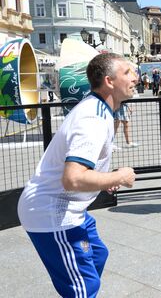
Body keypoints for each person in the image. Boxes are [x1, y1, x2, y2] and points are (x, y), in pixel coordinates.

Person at [17, 53, 137, 297]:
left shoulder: (98, 109)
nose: (135, 77)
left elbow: (78, 173)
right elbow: (72, 179)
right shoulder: (93, 118)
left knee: (97, 255)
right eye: (127, 72)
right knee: (83, 287)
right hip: (52, 212)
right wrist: (119, 177)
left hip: (67, 208)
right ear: (109, 81)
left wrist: (102, 181)